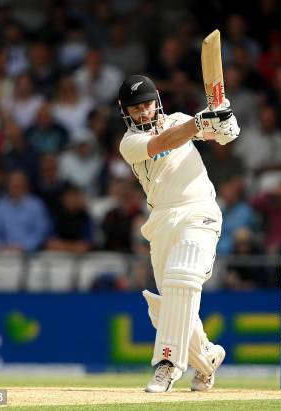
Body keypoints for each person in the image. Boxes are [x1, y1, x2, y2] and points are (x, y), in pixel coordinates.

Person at [116, 75, 240, 392]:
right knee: (167, 306)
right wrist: (199, 122)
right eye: (135, 109)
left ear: (157, 100)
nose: (143, 113)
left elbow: (222, 136)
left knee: (182, 276)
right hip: (161, 220)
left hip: (198, 210)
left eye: (146, 105)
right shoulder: (129, 143)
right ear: (125, 112)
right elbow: (164, 142)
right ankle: (208, 359)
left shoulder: (180, 120)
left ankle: (168, 365)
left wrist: (225, 121)